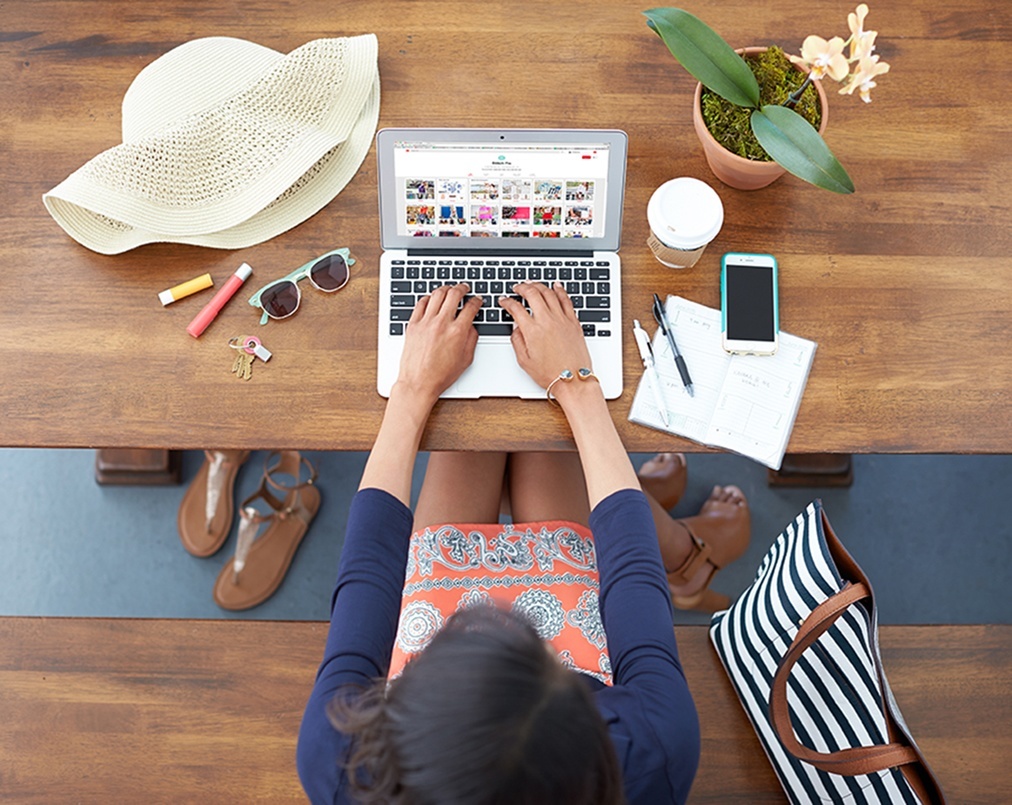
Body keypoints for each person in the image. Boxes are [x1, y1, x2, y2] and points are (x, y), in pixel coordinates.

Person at [297, 281, 750, 804]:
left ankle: (639, 501)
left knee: (476, 422)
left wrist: (413, 390)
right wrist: (576, 384)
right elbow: (633, 578)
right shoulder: (653, 750)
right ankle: (684, 557)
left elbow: (369, 576)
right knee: (549, 442)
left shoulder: (345, 763)